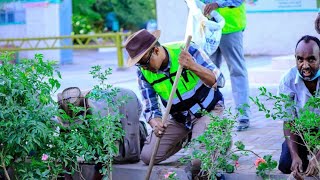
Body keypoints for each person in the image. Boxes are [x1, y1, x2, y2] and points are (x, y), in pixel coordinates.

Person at [124, 29, 225, 169]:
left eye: (145, 62)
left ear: (157, 50)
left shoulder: (188, 50)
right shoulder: (143, 72)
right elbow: (150, 107)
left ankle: (220, 136)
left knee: (198, 161)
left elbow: (219, 80)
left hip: (207, 111)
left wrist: (193, 66)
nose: (144, 68)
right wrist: (155, 122)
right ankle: (193, 136)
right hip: (181, 119)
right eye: (140, 64)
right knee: (147, 156)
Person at [202, 0, 250, 131]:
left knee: (237, 71)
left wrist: (218, 3)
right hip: (209, 29)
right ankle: (209, 117)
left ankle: (243, 116)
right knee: (207, 74)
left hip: (231, 27)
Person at [278, 35, 320, 178]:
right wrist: (295, 155)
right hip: (303, 131)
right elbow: (289, 121)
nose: (305, 65)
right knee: (286, 163)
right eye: (300, 59)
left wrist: (318, 157)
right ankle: (308, 165)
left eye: (311, 59)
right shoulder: (287, 81)